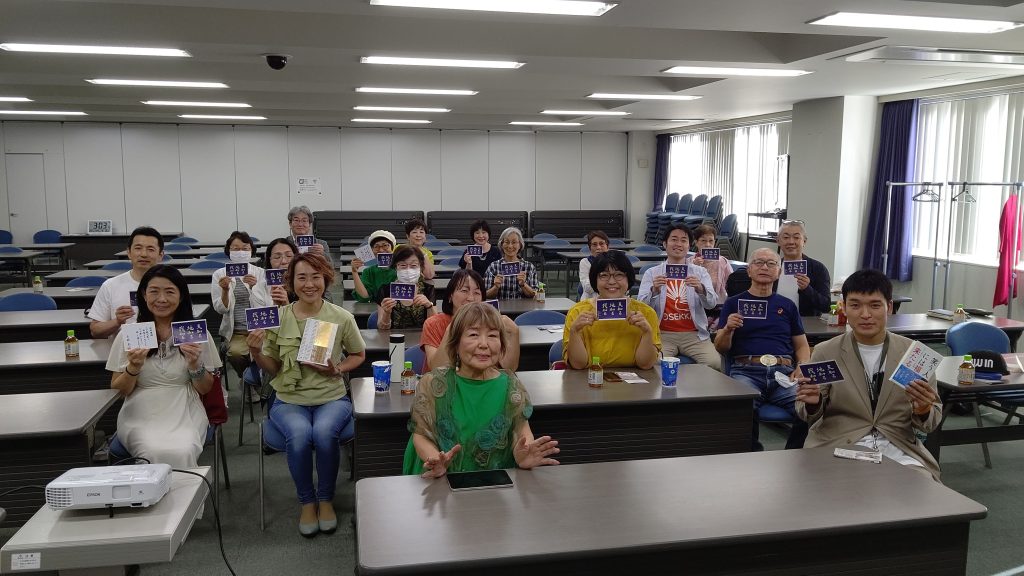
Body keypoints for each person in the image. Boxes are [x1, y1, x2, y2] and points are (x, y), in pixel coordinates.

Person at [248, 253, 366, 537]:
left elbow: (359, 355)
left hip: (332, 398)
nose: (309, 284)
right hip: (288, 399)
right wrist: (255, 352)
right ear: (291, 282)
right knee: (300, 435)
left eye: (316, 277)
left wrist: (337, 368)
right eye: (302, 277)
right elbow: (274, 369)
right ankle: (307, 502)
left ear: (326, 279)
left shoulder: (341, 317)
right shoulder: (278, 317)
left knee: (325, 433)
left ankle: (325, 499)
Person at [795, 269, 942, 480]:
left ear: (889, 307)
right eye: (855, 305)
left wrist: (924, 409)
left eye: (875, 305)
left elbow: (931, 421)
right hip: (840, 444)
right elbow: (805, 411)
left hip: (897, 446)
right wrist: (812, 403)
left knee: (921, 489)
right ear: (843, 307)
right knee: (840, 492)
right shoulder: (826, 351)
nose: (865, 314)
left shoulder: (913, 355)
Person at [402, 302, 559, 476]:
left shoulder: (510, 384)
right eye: (473, 335)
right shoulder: (434, 383)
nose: (484, 344)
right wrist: (436, 460)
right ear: (455, 343)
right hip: (438, 477)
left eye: (492, 336)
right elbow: (421, 435)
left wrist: (523, 452)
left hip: (491, 479)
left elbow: (522, 432)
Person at [106, 265, 221, 468]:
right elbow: (120, 389)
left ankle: (186, 500)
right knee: (151, 450)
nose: (161, 299)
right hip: (139, 411)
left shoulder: (194, 332)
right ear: (143, 295)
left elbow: (205, 388)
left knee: (184, 448)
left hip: (184, 407)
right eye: (154, 291)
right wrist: (133, 366)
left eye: (169, 292)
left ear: (182, 296)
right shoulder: (130, 333)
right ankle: (150, 498)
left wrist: (195, 364)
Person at [715, 248, 810, 451]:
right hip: (746, 371)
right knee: (741, 410)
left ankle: (792, 455)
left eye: (771, 263)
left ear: (779, 272)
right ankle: (754, 456)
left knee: (808, 406)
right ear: (749, 270)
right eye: (758, 262)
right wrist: (728, 329)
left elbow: (801, 345)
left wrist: (802, 365)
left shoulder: (788, 306)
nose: (764, 267)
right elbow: (721, 348)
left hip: (783, 373)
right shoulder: (733, 303)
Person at [637, 223, 720, 370]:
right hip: (662, 333)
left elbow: (711, 304)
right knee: (652, 363)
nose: (678, 244)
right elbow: (641, 307)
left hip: (694, 335)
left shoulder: (700, 272)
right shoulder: (652, 273)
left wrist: (700, 289)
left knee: (714, 363)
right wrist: (654, 290)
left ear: (689, 245)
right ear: (665, 243)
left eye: (683, 240)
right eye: (674, 239)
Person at [563, 251, 661, 370]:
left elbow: (645, 365)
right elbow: (578, 365)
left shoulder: (646, 313)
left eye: (619, 275)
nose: (611, 282)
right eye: (604, 275)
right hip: (589, 379)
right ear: (595, 280)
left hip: (635, 384)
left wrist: (647, 333)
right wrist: (574, 331)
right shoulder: (577, 312)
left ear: (628, 279)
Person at [421, 269, 520, 372]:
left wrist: (514, 332)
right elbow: (437, 369)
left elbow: (508, 370)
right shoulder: (433, 324)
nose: (471, 298)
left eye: (477, 292)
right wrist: (454, 327)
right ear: (450, 296)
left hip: (479, 384)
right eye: (464, 291)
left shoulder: (491, 324)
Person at [210, 231, 271, 377]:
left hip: (260, 328)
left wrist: (253, 288)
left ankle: (259, 381)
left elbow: (267, 305)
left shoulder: (260, 273)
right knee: (235, 354)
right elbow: (220, 309)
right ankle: (246, 379)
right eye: (235, 249)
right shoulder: (220, 275)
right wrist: (225, 290)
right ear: (228, 251)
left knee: (271, 352)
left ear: (251, 251)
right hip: (236, 331)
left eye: (245, 248)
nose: (241, 252)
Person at [89, 226, 166, 339]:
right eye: (138, 248)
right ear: (129, 252)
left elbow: (186, 322)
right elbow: (95, 330)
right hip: (123, 352)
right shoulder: (110, 285)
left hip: (163, 352)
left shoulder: (172, 286)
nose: (144, 254)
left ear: (161, 255)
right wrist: (117, 321)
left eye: (150, 249)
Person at [776, 220, 831, 316]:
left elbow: (826, 306)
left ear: (804, 241)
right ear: (778, 241)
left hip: (806, 325)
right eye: (785, 237)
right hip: (776, 322)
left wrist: (807, 289)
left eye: (796, 237)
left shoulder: (818, 269)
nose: (791, 242)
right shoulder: (773, 267)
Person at [375, 245, 436, 330]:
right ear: (396, 267)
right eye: (403, 265)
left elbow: (435, 326)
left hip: (421, 339)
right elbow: (382, 327)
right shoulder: (385, 290)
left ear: (420, 267)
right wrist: (387, 313)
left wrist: (429, 306)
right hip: (393, 340)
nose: (408, 270)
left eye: (413, 265)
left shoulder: (428, 289)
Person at [484, 227, 538, 300]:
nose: (510, 246)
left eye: (514, 242)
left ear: (520, 245)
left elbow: (534, 294)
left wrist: (523, 284)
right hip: (500, 310)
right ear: (502, 244)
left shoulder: (529, 267)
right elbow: (486, 295)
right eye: (506, 242)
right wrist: (495, 287)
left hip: (523, 310)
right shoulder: (493, 266)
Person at [690, 224, 733, 305]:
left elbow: (732, 283)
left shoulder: (723, 262)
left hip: (718, 305)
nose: (708, 245)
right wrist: (693, 266)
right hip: (694, 305)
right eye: (703, 241)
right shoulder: (690, 261)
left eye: (711, 241)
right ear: (696, 242)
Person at [351, 230, 397, 303]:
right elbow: (364, 298)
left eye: (385, 245)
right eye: (376, 246)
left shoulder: (402, 269)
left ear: (392, 247)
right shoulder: (368, 272)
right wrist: (354, 272)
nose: (381, 250)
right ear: (372, 250)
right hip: (376, 310)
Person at [261, 237, 299, 306]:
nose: (284, 261)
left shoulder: (305, 284)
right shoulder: (260, 288)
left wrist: (286, 306)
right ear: (269, 260)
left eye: (289, 256)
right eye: (277, 257)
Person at [579, 230, 611, 300]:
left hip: (612, 301)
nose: (598, 247)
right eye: (594, 244)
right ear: (590, 248)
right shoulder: (585, 262)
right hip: (590, 301)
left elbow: (624, 289)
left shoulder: (615, 262)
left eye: (602, 243)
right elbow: (588, 288)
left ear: (607, 246)